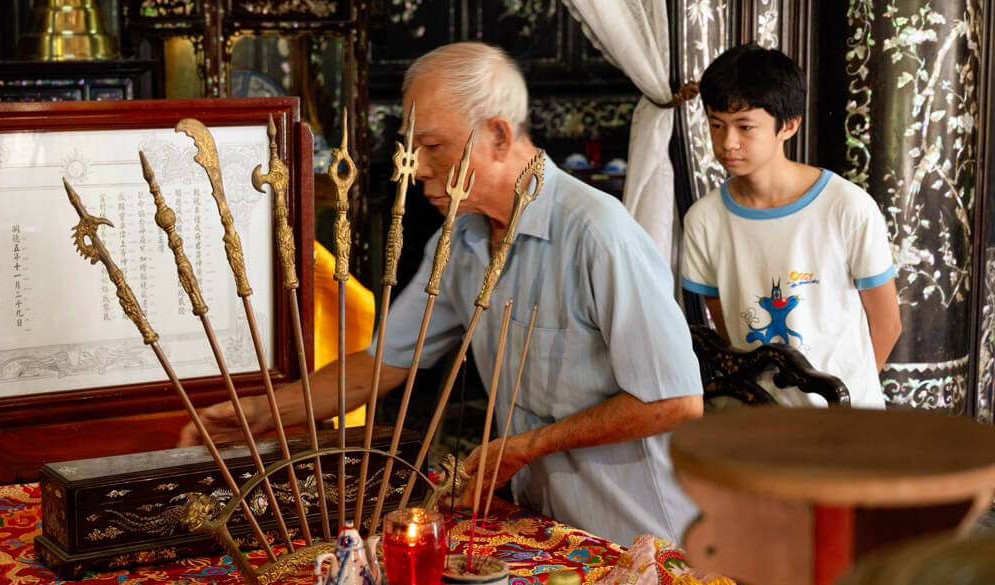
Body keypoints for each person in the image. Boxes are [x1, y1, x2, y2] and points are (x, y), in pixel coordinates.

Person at [179, 42, 704, 545]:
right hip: (544, 531)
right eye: (413, 149)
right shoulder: (462, 241)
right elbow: (380, 365)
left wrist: (529, 446)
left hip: (641, 542)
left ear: (498, 136)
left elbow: (677, 402)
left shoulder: (597, 233)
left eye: (433, 147)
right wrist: (259, 416)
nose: (419, 168)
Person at [680, 43, 901, 408]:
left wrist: (848, 402)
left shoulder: (847, 208)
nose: (727, 142)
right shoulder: (704, 220)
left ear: (789, 125)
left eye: (745, 126)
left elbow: (888, 325)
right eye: (716, 125)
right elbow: (729, 331)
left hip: (843, 427)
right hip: (755, 423)